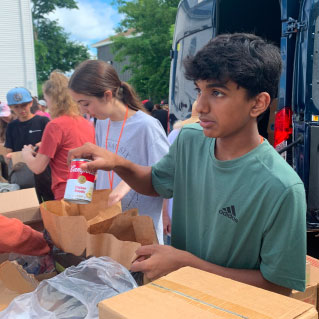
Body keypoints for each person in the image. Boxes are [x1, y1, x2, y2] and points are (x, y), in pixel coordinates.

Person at [68, 33, 307, 295]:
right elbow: (156, 183)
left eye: (217, 92)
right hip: (177, 298)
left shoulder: (281, 187)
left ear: (258, 103)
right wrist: (117, 163)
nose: (200, 105)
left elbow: (279, 287)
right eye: (199, 90)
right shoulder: (189, 141)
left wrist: (187, 264)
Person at [68, 60, 169, 244]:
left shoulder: (146, 127)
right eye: (79, 104)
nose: (83, 111)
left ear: (107, 95)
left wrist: (129, 181)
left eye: (85, 103)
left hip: (142, 231)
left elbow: (166, 177)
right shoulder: (103, 122)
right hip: (111, 228)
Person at [22, 71, 95, 200]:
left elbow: (38, 167)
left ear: (52, 99)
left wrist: (26, 154)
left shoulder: (55, 125)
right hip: (86, 187)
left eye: (46, 99)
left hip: (65, 190)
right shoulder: (85, 123)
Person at [5, 87, 53, 201]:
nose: (21, 109)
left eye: (24, 105)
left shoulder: (43, 121)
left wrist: (41, 144)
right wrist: (10, 159)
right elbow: (9, 151)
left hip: (45, 171)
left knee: (50, 203)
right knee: (28, 204)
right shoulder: (11, 126)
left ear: (31, 103)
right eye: (16, 106)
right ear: (11, 107)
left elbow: (53, 143)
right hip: (23, 173)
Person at [162, 101, 199, 241]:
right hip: (176, 215)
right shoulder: (176, 135)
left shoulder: (218, 140)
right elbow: (165, 175)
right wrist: (164, 214)